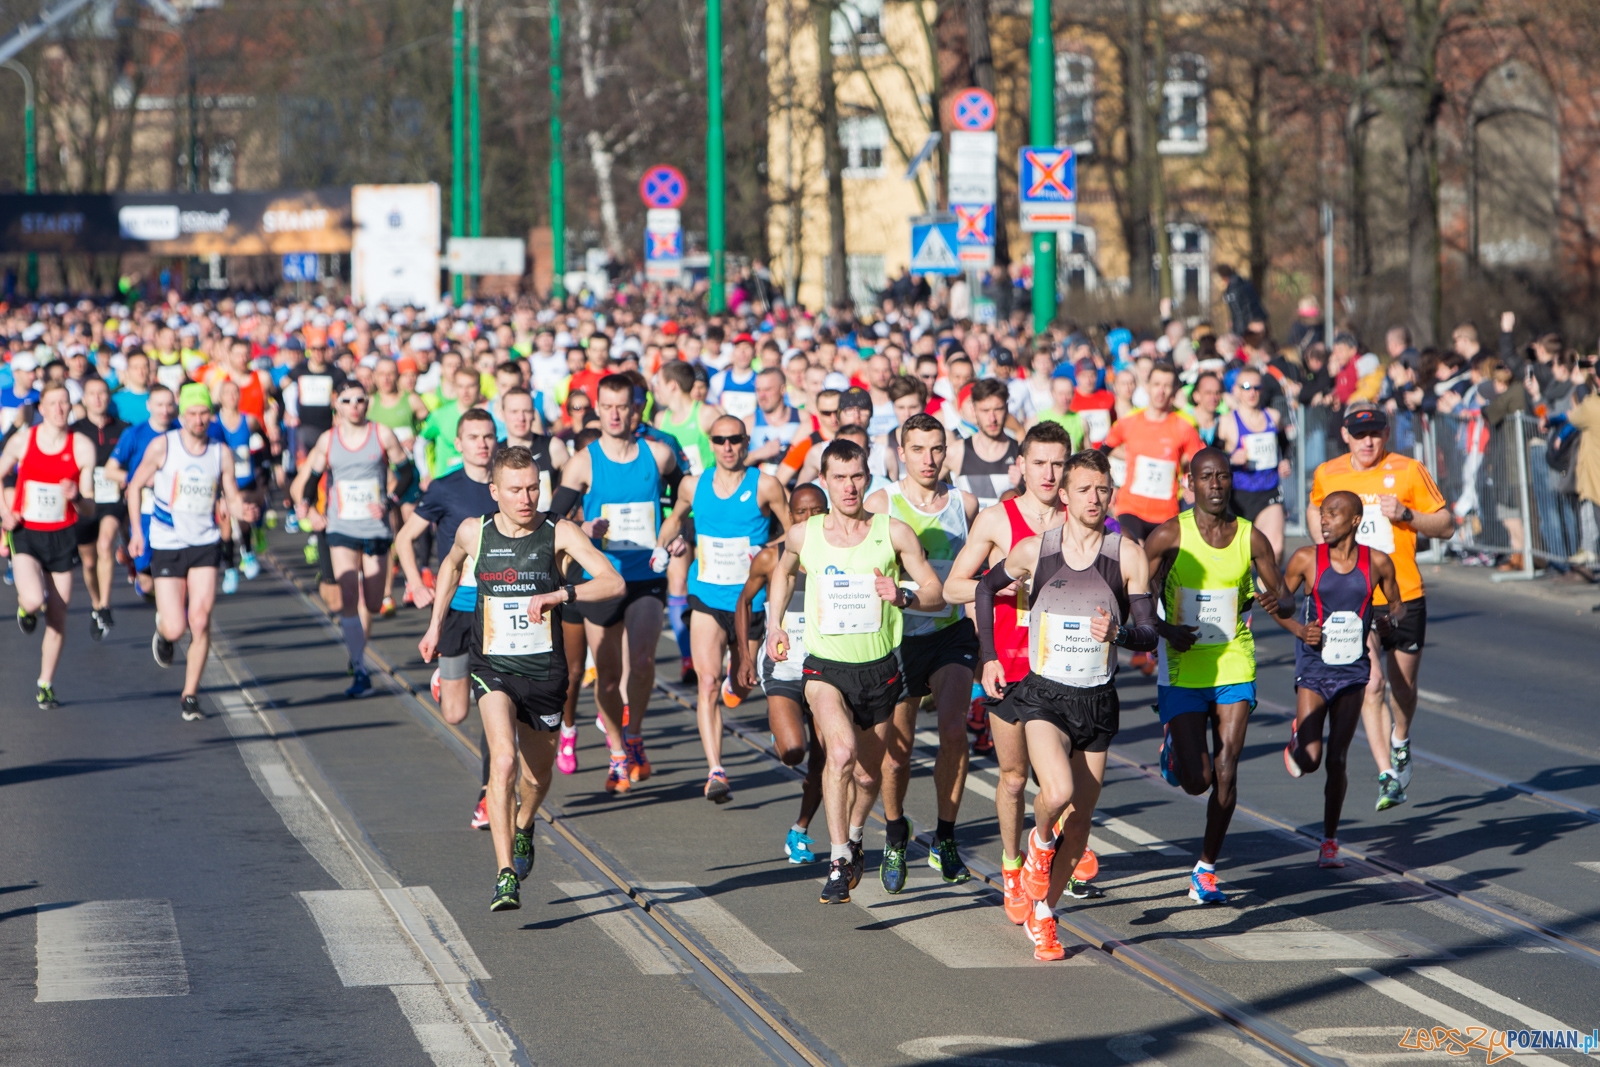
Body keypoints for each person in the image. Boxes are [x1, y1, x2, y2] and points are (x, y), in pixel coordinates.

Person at [419, 445, 625, 911]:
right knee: (504, 762)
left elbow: (613, 583)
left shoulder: (559, 531)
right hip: (493, 665)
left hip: (545, 671)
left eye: (533, 487)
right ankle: (505, 873)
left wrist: (561, 595)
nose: (527, 497)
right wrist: (434, 626)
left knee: (536, 777)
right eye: (515, 489)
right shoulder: (475, 532)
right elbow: (450, 566)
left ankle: (526, 823)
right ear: (494, 492)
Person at [972, 449, 1158, 959]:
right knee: (1057, 790)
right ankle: (1037, 844)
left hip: (1097, 698)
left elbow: (1149, 634)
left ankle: (1046, 915)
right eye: (1083, 490)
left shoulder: (1128, 555)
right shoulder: (1035, 550)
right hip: (1045, 694)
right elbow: (985, 591)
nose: (1094, 499)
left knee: (1080, 824)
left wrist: (1121, 632)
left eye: (1102, 490)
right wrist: (989, 657)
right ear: (1066, 494)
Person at [764, 438, 945, 904]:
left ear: (869, 478)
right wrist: (773, 624)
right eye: (839, 478)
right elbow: (783, 571)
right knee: (839, 754)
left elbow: (936, 592)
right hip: (825, 668)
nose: (849, 486)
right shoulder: (807, 534)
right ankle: (838, 859)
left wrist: (903, 595)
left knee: (868, 777)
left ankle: (859, 834)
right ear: (824, 481)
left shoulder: (894, 532)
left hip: (880, 669)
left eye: (857, 477)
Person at [943, 420, 1076, 920]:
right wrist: (1004, 587)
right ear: (1020, 465)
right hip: (1010, 665)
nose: (1048, 472)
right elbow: (955, 586)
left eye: (1058, 463)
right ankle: (1011, 863)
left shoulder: (1079, 520)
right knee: (1016, 777)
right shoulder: (999, 521)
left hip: (1064, 666)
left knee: (1063, 781)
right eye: (1039, 462)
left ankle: (1060, 848)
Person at [1145, 447, 1288, 904]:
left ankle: (1205, 869)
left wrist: (1277, 603)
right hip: (1183, 664)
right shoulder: (1170, 535)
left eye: (1223, 477)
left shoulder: (1252, 538)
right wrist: (1165, 628)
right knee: (1198, 779)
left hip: (1232, 660)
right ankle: (1175, 747)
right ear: (1190, 483)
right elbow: (1137, 594)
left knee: (1226, 769)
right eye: (1206, 477)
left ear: (1231, 482)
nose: (1215, 485)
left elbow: (1283, 597)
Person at [1308, 403, 1454, 811]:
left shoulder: (1408, 470)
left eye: (1375, 433)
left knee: (1402, 688)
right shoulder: (1329, 473)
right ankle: (1387, 773)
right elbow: (1315, 508)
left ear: (1386, 435)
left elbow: (1446, 524)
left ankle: (1401, 739)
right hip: (1355, 596)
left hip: (1403, 594)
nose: (1367, 441)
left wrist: (1406, 514)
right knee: (1372, 682)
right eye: (1359, 435)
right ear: (1345, 436)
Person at [549, 373, 689, 793]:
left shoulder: (660, 455)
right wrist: (583, 528)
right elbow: (554, 521)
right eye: (606, 406)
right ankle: (614, 749)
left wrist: (682, 533)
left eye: (621, 406)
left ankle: (634, 737)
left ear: (635, 410)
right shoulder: (583, 463)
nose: (613, 414)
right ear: (598, 409)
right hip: (600, 579)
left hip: (645, 574)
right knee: (607, 677)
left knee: (643, 662)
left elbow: (689, 499)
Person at [864, 412, 980, 891]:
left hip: (949, 633)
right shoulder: (880, 503)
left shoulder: (965, 504)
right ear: (900, 452)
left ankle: (946, 838)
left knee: (954, 730)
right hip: (896, 638)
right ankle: (894, 834)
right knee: (897, 754)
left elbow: (979, 571)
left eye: (937, 449)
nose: (929, 459)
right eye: (918, 450)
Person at [660, 414, 790, 800]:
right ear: (711, 443)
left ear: (746, 442)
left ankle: (737, 684)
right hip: (707, 596)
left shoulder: (765, 485)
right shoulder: (693, 485)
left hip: (749, 600)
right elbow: (674, 522)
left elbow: (792, 530)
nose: (728, 447)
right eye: (720, 440)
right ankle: (715, 770)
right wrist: (669, 543)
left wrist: (768, 552)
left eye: (735, 439)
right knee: (707, 681)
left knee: (742, 683)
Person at [1275, 490, 1404, 868]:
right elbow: (1279, 603)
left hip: (1353, 672)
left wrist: (1387, 619)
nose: (1324, 520)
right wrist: (1300, 630)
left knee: (1338, 759)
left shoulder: (1377, 563)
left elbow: (1395, 603)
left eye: (1333, 514)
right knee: (1311, 758)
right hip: (1315, 669)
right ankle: (1299, 737)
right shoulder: (1306, 559)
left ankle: (1329, 841)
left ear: (1354, 521)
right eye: (1322, 514)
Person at [126, 384, 260, 721]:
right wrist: (137, 533)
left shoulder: (220, 452)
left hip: (205, 542)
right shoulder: (164, 446)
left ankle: (190, 695)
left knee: (199, 620)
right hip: (168, 543)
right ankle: (164, 631)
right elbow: (134, 486)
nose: (199, 420)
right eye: (192, 414)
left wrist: (244, 512)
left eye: (204, 414)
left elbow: (230, 494)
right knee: (176, 627)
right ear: (181, 416)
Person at [397, 409, 500, 826]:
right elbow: (405, 539)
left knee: (497, 708)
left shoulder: (507, 486)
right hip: (458, 609)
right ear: (458, 443)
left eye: (488, 436)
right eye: (473, 437)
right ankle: (447, 679)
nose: (482, 443)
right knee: (456, 714)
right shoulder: (444, 488)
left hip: (498, 611)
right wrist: (415, 583)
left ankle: (489, 794)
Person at [291, 381, 414, 697]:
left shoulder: (381, 434)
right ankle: (359, 667)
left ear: (367, 402)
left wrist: (390, 500)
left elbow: (407, 472)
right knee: (349, 597)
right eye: (347, 400)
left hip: (375, 528)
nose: (355, 405)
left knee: (372, 603)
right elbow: (313, 478)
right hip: (341, 526)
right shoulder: (328, 440)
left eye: (360, 399)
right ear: (337, 404)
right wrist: (309, 508)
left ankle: (358, 652)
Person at [734, 484, 830, 862]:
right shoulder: (772, 557)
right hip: (784, 667)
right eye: (801, 512)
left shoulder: (839, 554)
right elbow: (743, 601)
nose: (808, 519)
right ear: (789, 516)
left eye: (816, 511)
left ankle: (800, 829)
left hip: (827, 669)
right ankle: (781, 721)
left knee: (827, 760)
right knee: (793, 752)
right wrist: (744, 655)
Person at [0, 382, 97, 708]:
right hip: (27, 532)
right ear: (42, 408)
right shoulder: (24, 440)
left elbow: (89, 508)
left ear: (71, 408)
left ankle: (45, 683)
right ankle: (26, 609)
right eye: (52, 403)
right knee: (33, 596)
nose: (59, 409)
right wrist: (4, 515)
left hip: (63, 536)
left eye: (64, 403)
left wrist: (76, 496)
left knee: (58, 615)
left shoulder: (82, 446)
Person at [1102, 362, 1204, 544]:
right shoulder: (1130, 421)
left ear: (1174, 390)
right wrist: (1105, 487)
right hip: (1130, 507)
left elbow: (1199, 461)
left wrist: (1191, 484)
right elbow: (1102, 452)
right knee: (1135, 551)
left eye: (1167, 386)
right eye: (1156, 384)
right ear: (1147, 387)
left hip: (1166, 510)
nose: (1161, 391)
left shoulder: (1185, 426)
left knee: (1158, 567)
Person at [69, 377, 129, 639]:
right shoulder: (74, 431)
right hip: (84, 503)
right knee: (89, 561)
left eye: (102, 393)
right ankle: (95, 603)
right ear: (84, 399)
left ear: (109, 397)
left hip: (112, 501)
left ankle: (105, 605)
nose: (98, 398)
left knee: (106, 544)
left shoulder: (124, 429)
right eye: (92, 394)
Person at [104, 385, 177, 599]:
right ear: (149, 406)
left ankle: (169, 614)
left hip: (175, 510)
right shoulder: (135, 434)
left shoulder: (181, 432)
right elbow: (110, 470)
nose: (165, 410)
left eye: (169, 404)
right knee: (146, 582)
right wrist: (138, 481)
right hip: (144, 510)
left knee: (174, 574)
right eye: (159, 405)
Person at [1218, 367, 1291, 560]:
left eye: (1257, 388)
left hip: (1269, 492)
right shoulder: (1227, 422)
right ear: (1237, 390)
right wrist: (1231, 458)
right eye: (1246, 387)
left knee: (1274, 548)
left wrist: (1285, 462)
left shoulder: (1273, 417)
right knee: (1241, 558)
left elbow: (1285, 446)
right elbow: (1214, 458)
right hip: (1238, 495)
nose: (1252, 392)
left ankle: (1266, 589)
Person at [208, 378, 268, 594]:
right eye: (228, 393)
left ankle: (248, 551)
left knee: (242, 519)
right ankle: (231, 568)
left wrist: (263, 477)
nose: (232, 397)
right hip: (224, 481)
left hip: (246, 480)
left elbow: (264, 447)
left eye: (235, 393)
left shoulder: (249, 421)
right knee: (225, 526)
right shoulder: (213, 423)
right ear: (220, 397)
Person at [949, 379, 1020, 508]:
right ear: (974, 410)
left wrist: (1023, 486)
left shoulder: (1022, 453)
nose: (992, 419)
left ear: (1007, 409)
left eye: (998, 409)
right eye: (985, 411)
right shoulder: (956, 452)